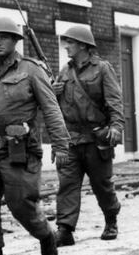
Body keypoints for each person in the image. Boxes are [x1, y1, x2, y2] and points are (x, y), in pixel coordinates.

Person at [0, 17, 72, 255]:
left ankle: (47, 237)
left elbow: (51, 108)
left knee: (21, 206)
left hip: (19, 149)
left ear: (15, 41)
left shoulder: (30, 69)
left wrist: (61, 146)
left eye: (3, 38)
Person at [52, 25, 124, 246]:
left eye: (71, 42)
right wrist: (53, 93)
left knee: (101, 184)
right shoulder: (65, 71)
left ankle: (111, 220)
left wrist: (116, 128)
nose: (67, 46)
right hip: (72, 138)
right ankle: (65, 230)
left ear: (83, 45)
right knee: (67, 185)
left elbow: (114, 101)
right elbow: (58, 107)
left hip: (96, 138)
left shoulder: (102, 69)